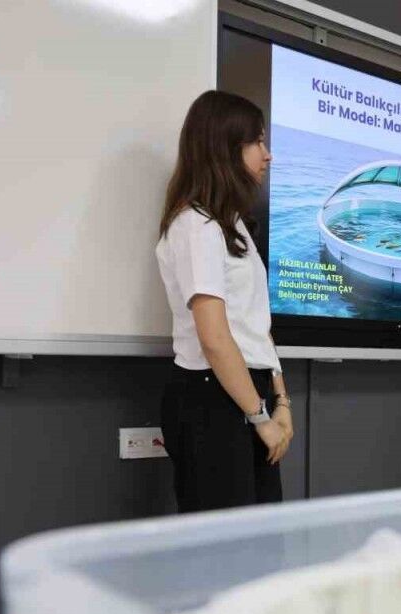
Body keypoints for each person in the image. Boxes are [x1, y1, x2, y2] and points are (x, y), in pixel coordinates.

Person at [156, 90, 293, 512]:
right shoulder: (195, 226)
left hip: (247, 394)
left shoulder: (232, 225)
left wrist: (281, 401)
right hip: (212, 399)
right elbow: (214, 338)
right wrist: (260, 417)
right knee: (225, 543)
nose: (267, 155)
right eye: (258, 142)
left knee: (260, 536)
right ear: (227, 149)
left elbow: (256, 327)